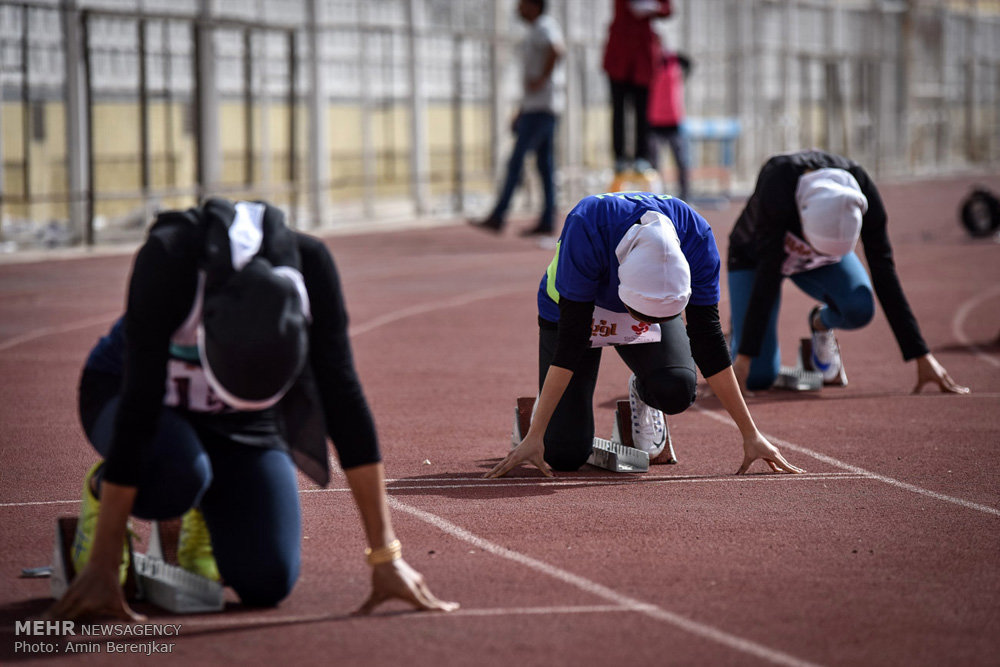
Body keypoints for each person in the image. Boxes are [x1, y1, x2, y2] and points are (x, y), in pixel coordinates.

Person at [47, 199, 457, 620]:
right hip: (128, 393)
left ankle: (206, 513)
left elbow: (344, 401)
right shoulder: (171, 259)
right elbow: (139, 407)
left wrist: (385, 556)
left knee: (268, 580)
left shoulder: (311, 265)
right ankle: (103, 495)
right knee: (178, 473)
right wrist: (101, 563)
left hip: (243, 419)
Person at [486, 192, 804, 478]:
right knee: (563, 455)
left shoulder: (696, 235)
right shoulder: (588, 223)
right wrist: (536, 433)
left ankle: (643, 392)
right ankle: (536, 414)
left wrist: (751, 434)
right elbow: (571, 342)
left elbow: (709, 340)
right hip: (573, 309)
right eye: (643, 316)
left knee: (677, 389)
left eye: (659, 317)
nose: (642, 322)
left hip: (646, 300)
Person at [727, 149, 970, 395]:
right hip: (755, 259)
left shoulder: (862, 190)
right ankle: (737, 335)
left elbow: (884, 274)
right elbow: (768, 277)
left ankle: (819, 325)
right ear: (802, 217)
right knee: (757, 376)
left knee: (859, 307)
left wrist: (922, 355)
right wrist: (745, 357)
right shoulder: (778, 182)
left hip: (819, 263)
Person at [470, 0, 565, 237]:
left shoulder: (544, 26)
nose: (518, 8)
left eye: (522, 4)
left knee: (516, 162)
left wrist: (542, 79)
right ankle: (546, 219)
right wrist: (522, 109)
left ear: (534, 5)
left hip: (542, 109)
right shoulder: (535, 30)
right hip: (536, 108)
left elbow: (557, 50)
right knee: (544, 166)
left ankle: (499, 214)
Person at [602, 0, 672, 178]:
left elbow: (668, 9)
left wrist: (653, 8)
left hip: (643, 59)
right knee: (618, 110)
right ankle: (620, 157)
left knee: (642, 113)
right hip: (619, 57)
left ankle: (642, 157)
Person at [648, 49, 691, 203]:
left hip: (674, 121)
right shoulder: (649, 64)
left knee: (682, 161)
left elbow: (689, 64)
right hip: (654, 121)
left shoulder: (676, 62)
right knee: (654, 164)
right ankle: (657, 196)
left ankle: (685, 196)